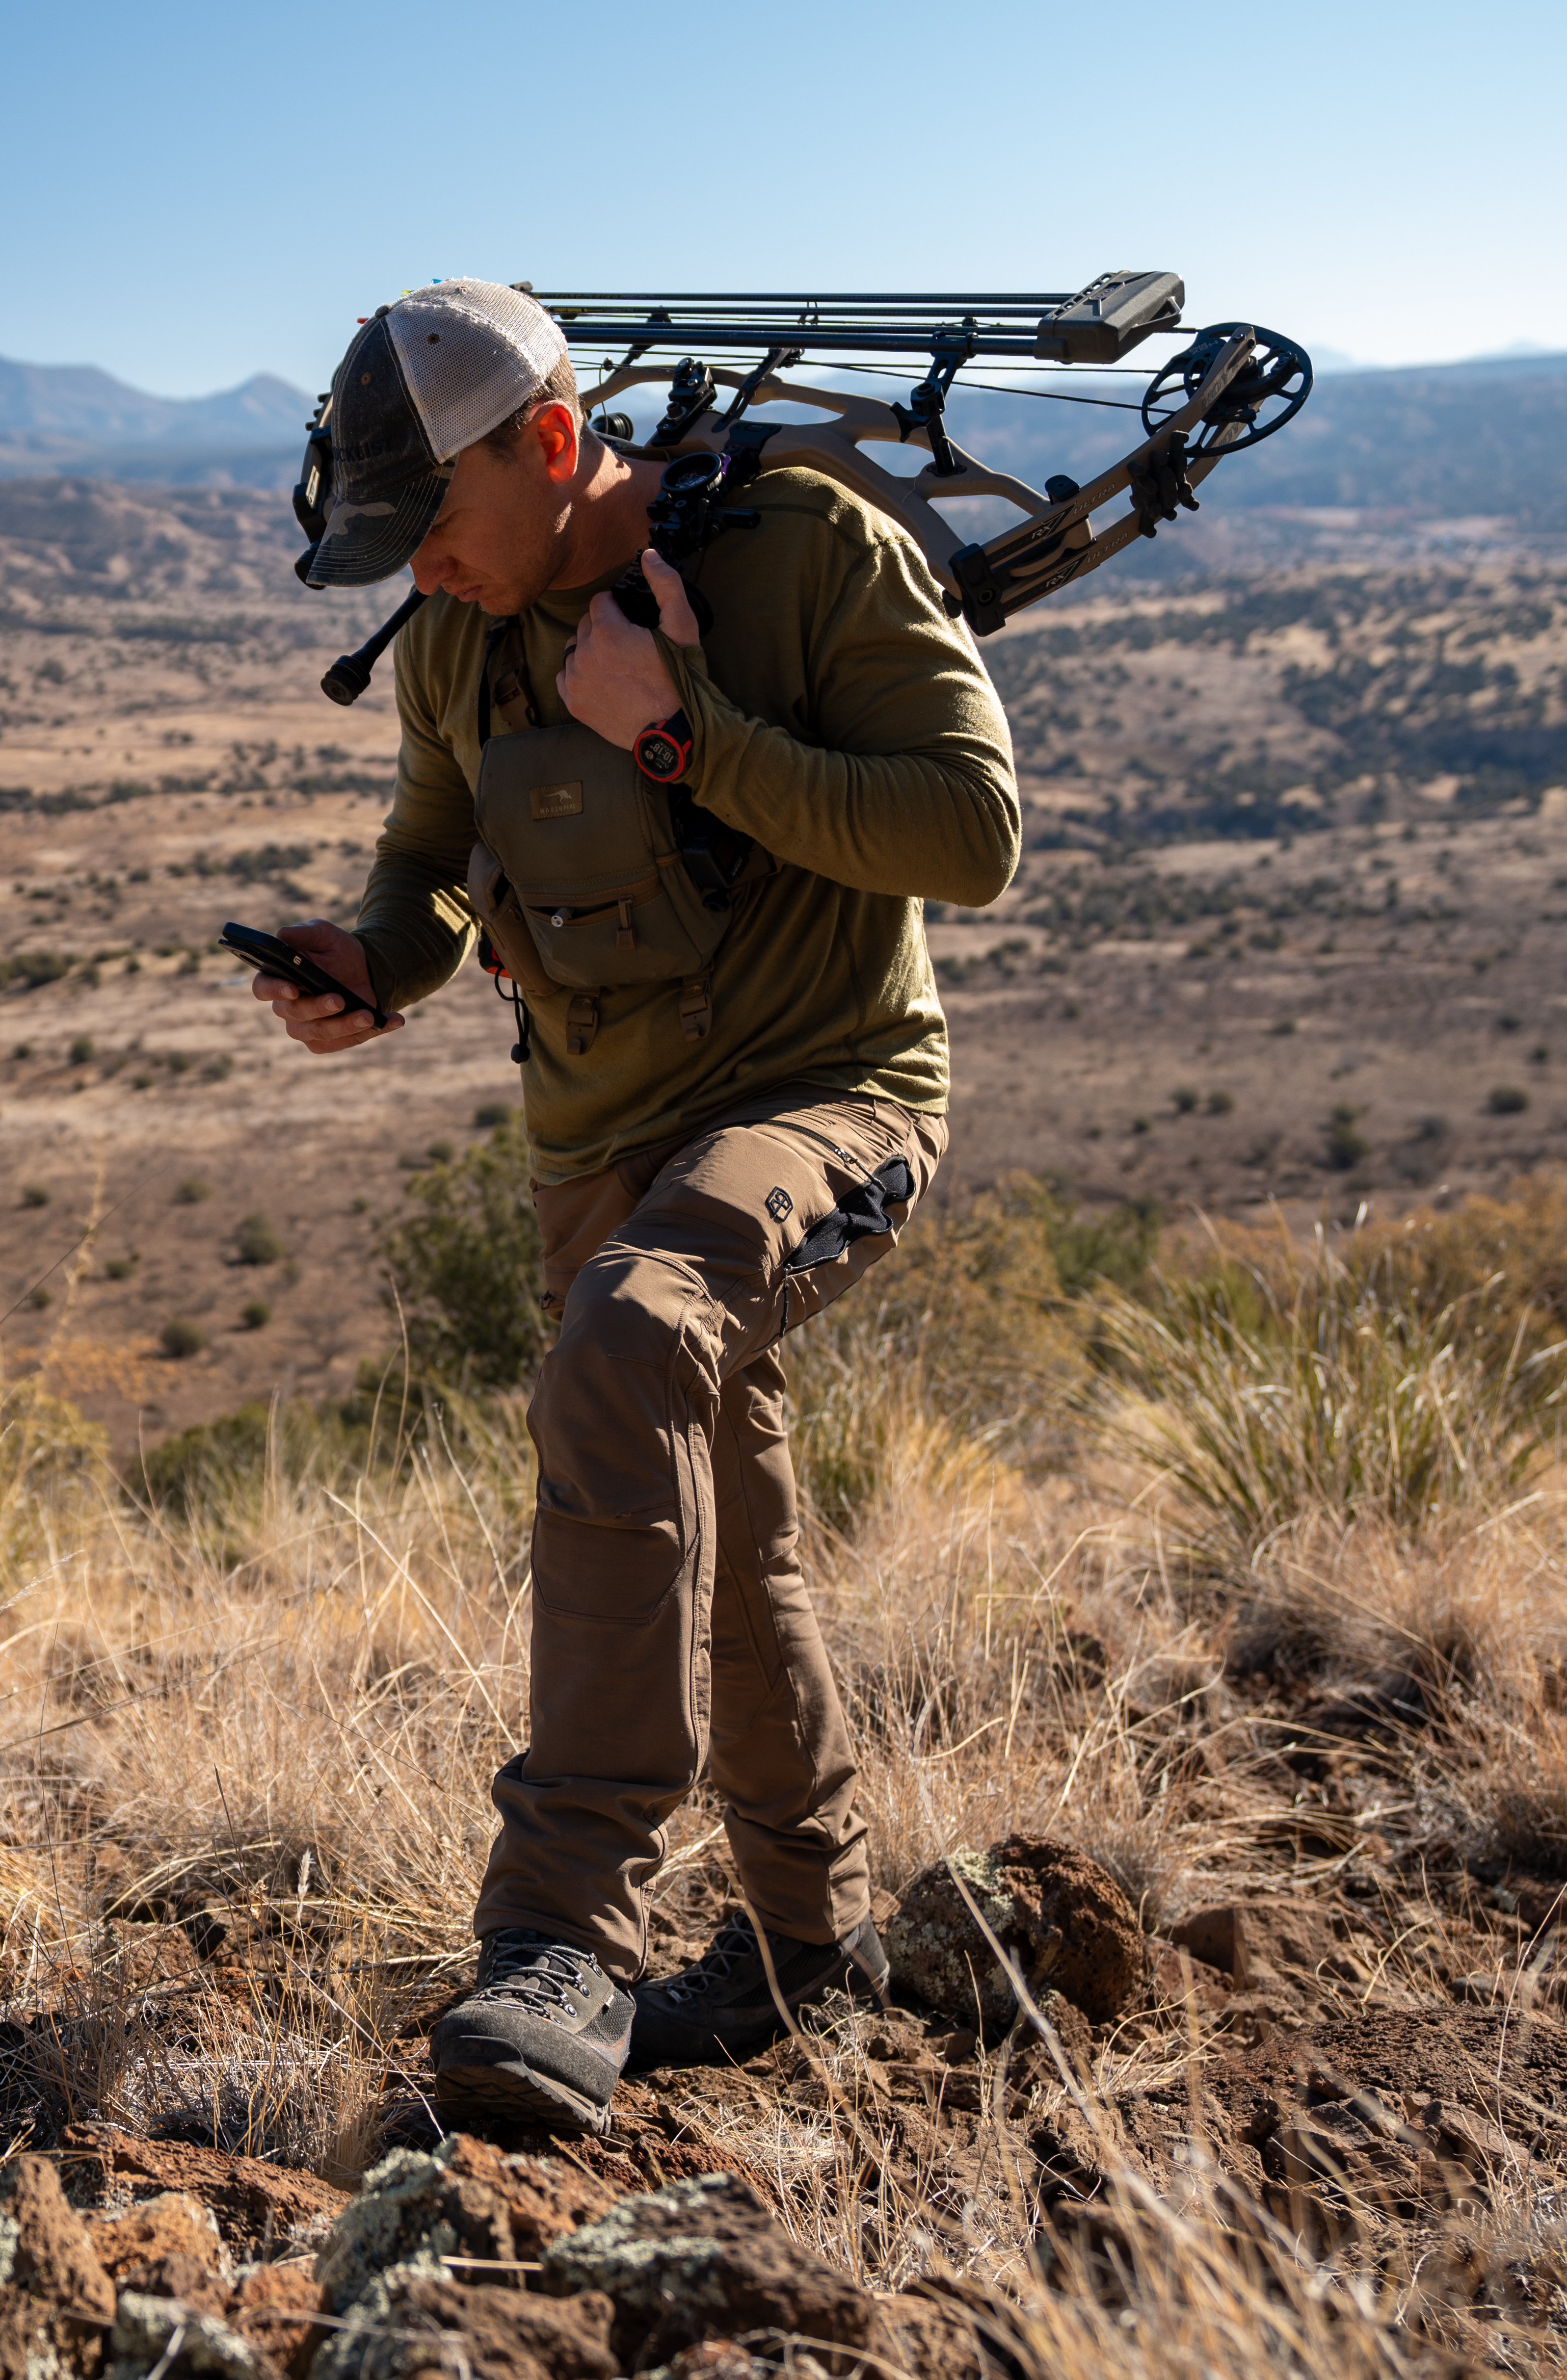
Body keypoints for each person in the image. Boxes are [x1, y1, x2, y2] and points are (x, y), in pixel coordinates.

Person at [252, 279, 1020, 2135]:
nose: (420, 577)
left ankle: (560, 1937)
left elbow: (970, 838)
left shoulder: (800, 553)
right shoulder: (458, 640)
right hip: (603, 1146)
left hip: (825, 1097)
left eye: (433, 527)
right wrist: (369, 965)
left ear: (545, 441)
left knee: (634, 1341)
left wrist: (685, 740)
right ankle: (803, 1951)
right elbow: (437, 866)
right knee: (721, 1501)